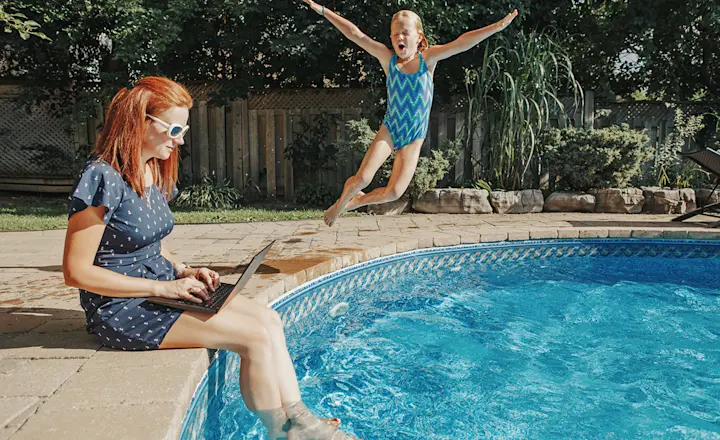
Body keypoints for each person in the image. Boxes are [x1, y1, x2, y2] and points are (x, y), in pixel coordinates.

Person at [62, 76, 356, 440]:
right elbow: (76, 272)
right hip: (122, 309)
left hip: (161, 288)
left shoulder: (153, 169)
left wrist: (183, 269)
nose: (180, 139)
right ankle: (282, 432)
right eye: (173, 128)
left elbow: (147, 243)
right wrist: (164, 287)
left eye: (183, 129)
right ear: (140, 120)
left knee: (269, 320)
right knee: (253, 339)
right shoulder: (102, 177)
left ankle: (300, 417)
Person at [301, 3, 519, 226]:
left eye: (405, 32)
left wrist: (497, 27)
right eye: (395, 34)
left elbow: (462, 42)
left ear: (419, 37)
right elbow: (355, 34)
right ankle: (341, 205)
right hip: (391, 128)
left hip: (414, 137)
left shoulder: (428, 59)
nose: (399, 37)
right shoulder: (388, 60)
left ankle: (357, 201)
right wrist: (322, 10)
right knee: (362, 178)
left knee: (394, 192)